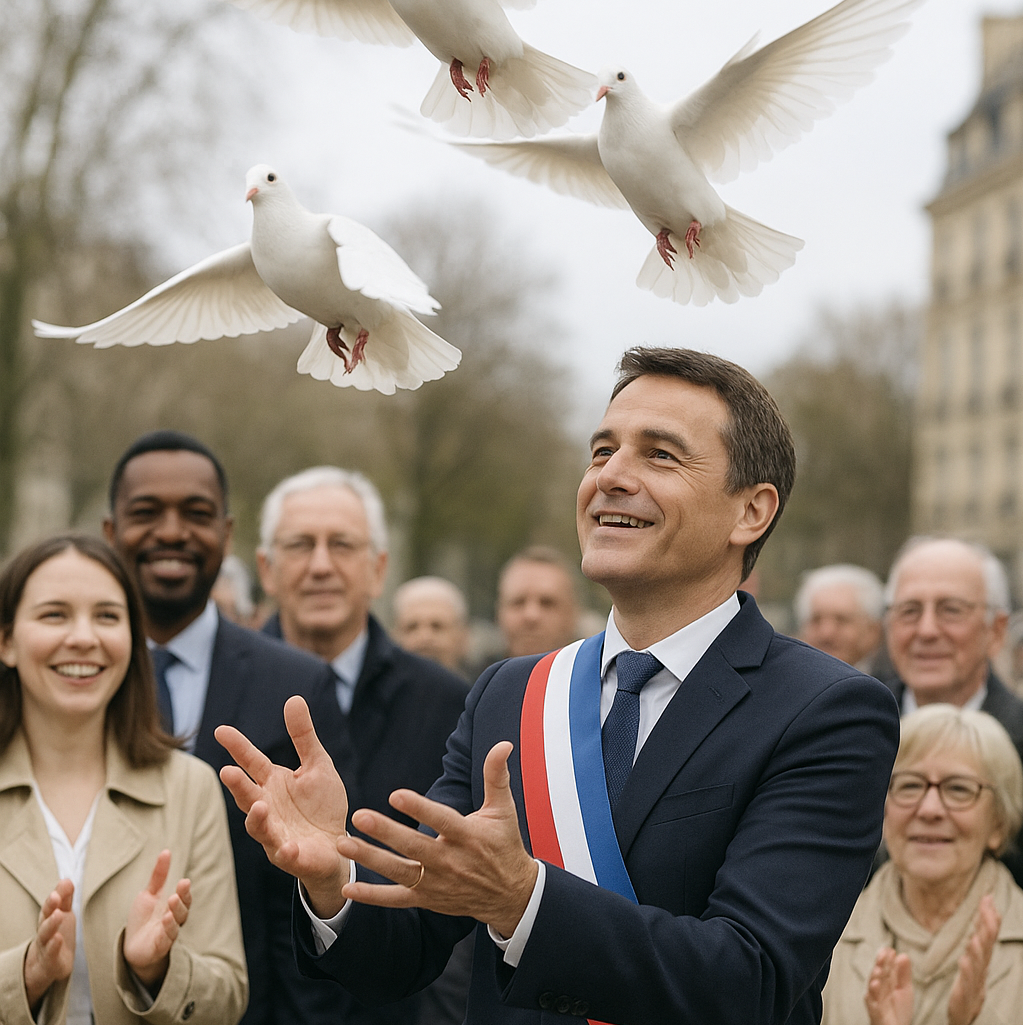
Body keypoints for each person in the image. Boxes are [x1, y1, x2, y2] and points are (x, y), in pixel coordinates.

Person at [217, 346, 901, 1025]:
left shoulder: (826, 710)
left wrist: (524, 900)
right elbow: (400, 955)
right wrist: (330, 883)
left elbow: (749, 980)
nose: (610, 476)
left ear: (750, 511)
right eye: (601, 450)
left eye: (658, 454)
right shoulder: (512, 693)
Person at [102, 430, 354, 1025]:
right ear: (110, 533)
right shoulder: (66, 679)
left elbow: (318, 897)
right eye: (146, 513)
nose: (171, 532)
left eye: (195, 513)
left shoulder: (297, 688)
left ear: (227, 533)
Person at [0, 533, 247, 1025]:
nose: (84, 637)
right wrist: (25, 976)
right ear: (6, 641)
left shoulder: (190, 787)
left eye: (108, 616)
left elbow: (228, 996)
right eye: (54, 614)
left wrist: (156, 970)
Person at [255, 465, 471, 1025]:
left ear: (378, 569)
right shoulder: (225, 695)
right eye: (300, 544)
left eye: (342, 545)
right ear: (266, 569)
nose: (321, 565)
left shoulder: (448, 704)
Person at [822, 704, 1023, 1025]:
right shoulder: (825, 936)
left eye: (959, 789)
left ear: (999, 824)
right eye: (910, 785)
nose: (929, 810)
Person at [883, 536, 1023, 884]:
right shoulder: (843, 729)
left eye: (951, 610)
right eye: (910, 611)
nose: (926, 630)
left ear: (996, 630)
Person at [795, 564, 885, 672]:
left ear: (873, 630)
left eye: (841, 620)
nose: (826, 633)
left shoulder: (896, 684)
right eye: (816, 620)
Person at [496, 546, 581, 658]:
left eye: (547, 603)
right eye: (518, 602)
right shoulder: (480, 675)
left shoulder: (601, 674)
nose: (531, 616)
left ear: (573, 613)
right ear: (499, 612)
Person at [391, 576, 471, 676]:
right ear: (394, 637)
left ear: (463, 637)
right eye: (412, 627)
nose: (424, 637)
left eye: (437, 626)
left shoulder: (485, 689)